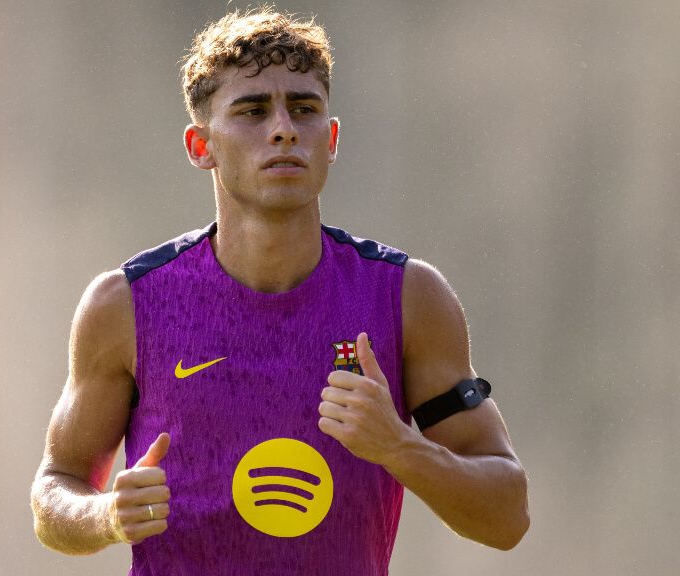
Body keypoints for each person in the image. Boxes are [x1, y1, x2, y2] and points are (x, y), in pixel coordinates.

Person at [30, 7, 529, 574]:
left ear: (332, 138)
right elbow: (56, 488)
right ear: (200, 146)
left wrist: (398, 447)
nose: (284, 128)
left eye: (304, 107)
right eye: (252, 110)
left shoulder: (409, 298)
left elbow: (508, 514)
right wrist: (105, 517)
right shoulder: (125, 305)